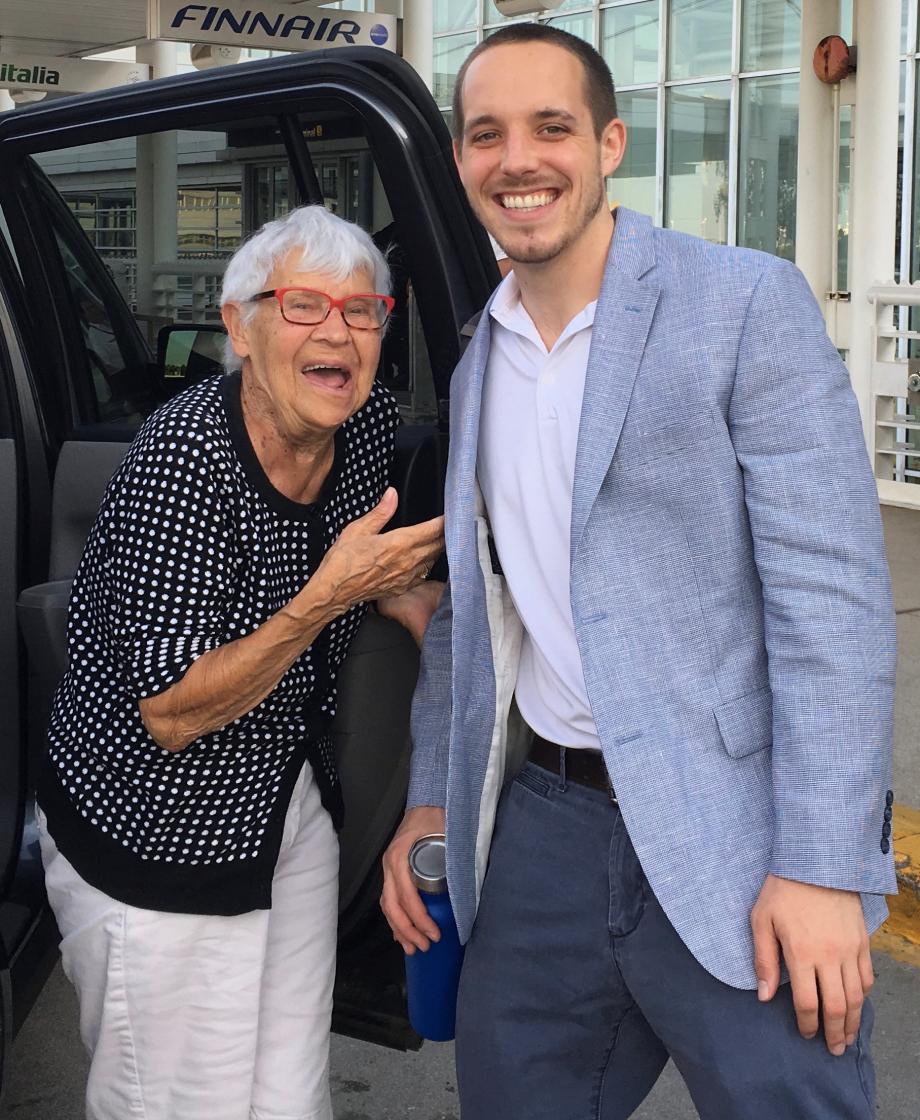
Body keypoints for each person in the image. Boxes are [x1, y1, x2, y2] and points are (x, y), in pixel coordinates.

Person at [381, 23, 897, 1120]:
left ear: (608, 141)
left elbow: (833, 608)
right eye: (486, 135)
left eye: (549, 127)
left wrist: (820, 861)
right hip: (544, 838)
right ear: (463, 161)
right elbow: (474, 620)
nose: (517, 159)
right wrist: (432, 798)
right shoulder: (479, 359)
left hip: (739, 837)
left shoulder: (741, 304)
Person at [36, 203, 444, 1120]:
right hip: (156, 834)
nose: (337, 330)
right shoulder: (185, 459)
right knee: (179, 1104)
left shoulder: (364, 427)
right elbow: (172, 713)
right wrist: (335, 592)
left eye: (363, 310)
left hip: (284, 806)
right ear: (240, 327)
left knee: (290, 1100)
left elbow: (359, 565)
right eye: (303, 305)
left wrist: (423, 609)